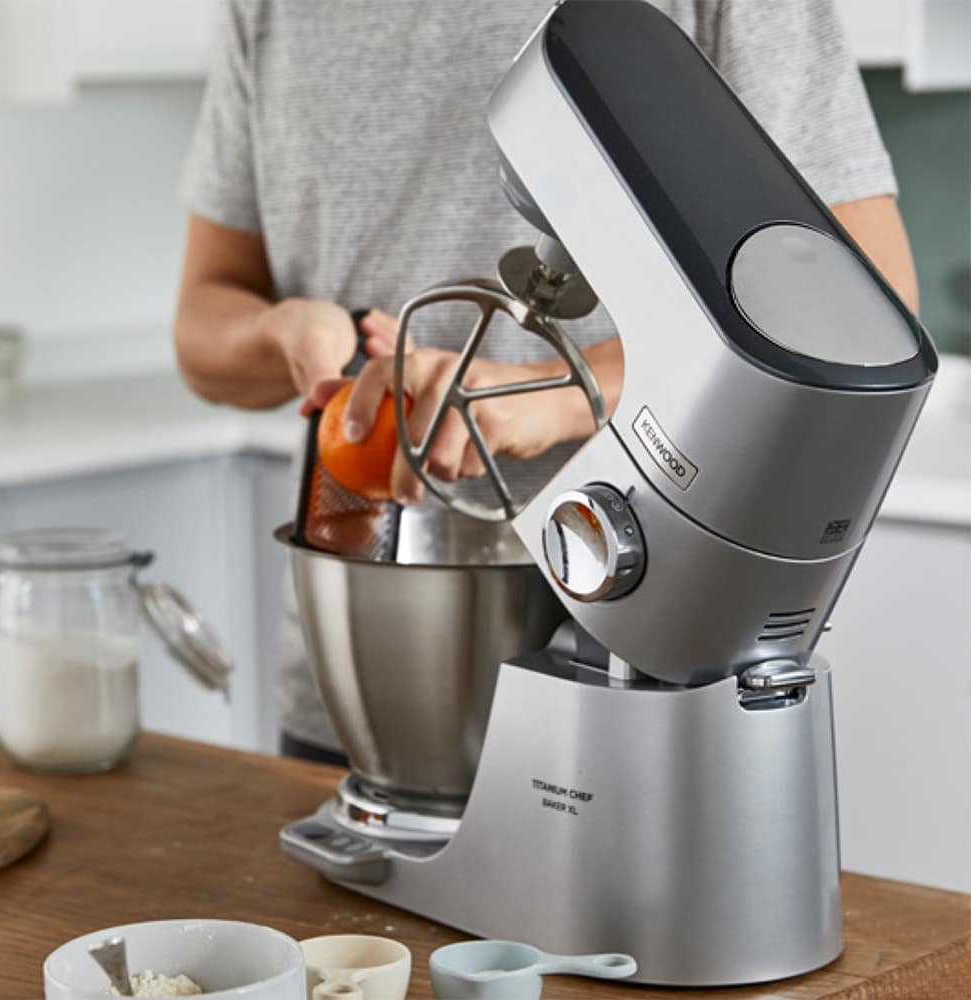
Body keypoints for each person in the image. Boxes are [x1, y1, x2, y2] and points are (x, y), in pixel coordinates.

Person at [174, 0, 919, 763]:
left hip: (626, 670)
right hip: (353, 673)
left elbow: (866, 312)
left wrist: (552, 395)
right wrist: (284, 332)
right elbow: (203, 321)